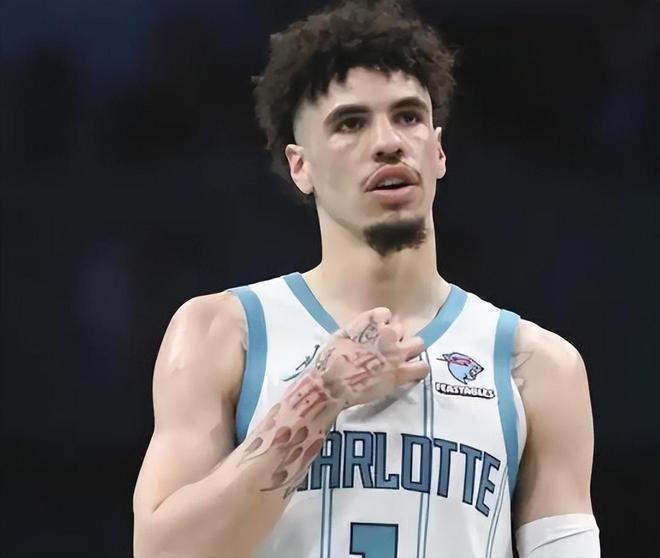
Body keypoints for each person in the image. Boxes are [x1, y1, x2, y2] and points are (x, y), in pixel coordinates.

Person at [133, 1, 599, 557]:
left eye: (409, 117)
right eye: (350, 123)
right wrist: (319, 395)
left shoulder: (538, 365)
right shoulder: (220, 332)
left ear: (438, 151)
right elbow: (161, 551)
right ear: (300, 166)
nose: (388, 142)